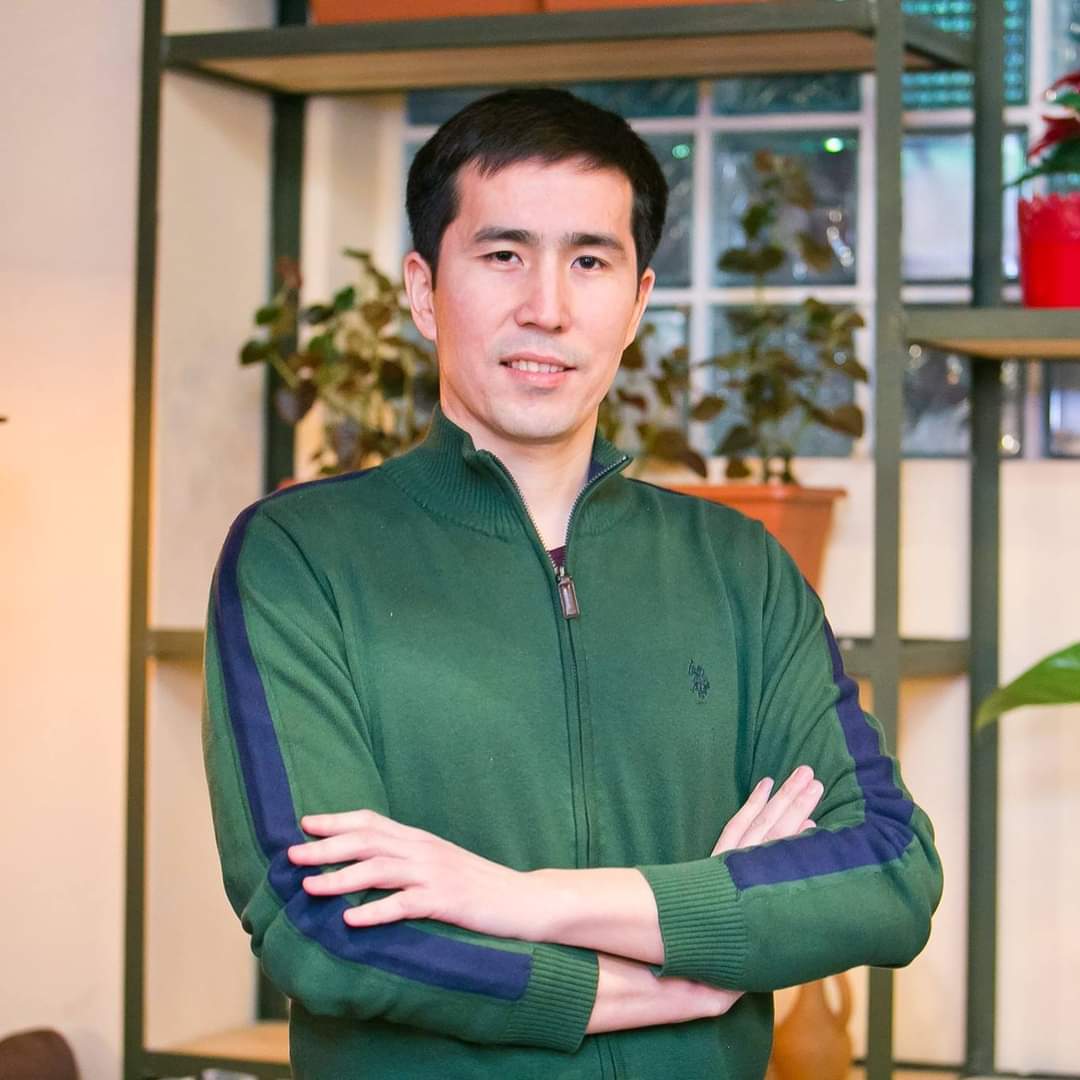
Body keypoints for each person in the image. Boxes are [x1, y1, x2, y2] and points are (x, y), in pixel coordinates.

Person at [201, 87, 943, 1080]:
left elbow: (888, 870)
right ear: (423, 289)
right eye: (503, 255)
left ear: (636, 302)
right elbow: (322, 925)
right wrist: (681, 961)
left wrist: (518, 899)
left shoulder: (740, 568)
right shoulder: (300, 557)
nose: (546, 308)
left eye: (590, 261)